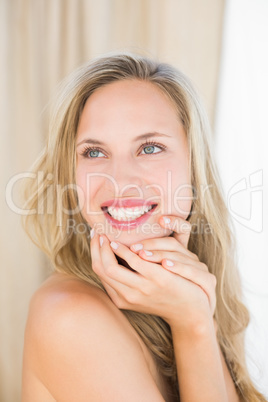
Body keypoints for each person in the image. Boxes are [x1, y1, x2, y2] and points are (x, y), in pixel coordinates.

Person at [21, 53, 266, 402]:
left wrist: (195, 316)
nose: (120, 181)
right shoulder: (70, 316)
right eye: (93, 153)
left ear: (194, 167)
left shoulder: (183, 291)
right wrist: (194, 326)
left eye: (150, 148)